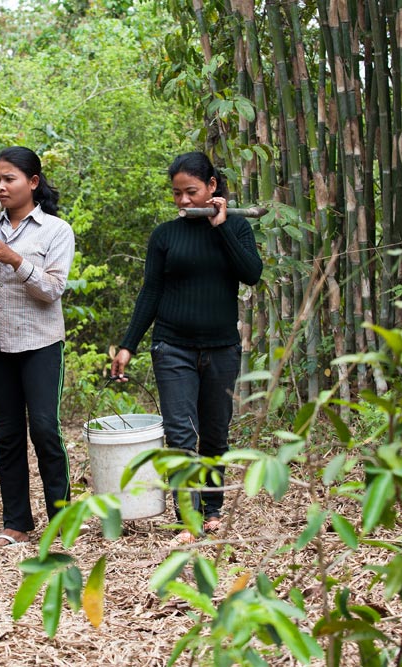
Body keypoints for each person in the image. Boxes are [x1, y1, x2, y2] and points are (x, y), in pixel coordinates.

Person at [110, 151, 263, 543]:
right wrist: (129, 345)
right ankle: (189, 519)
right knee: (181, 434)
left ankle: (213, 510)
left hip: (222, 348)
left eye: (190, 192)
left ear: (212, 187)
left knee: (215, 434)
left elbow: (251, 274)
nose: (182, 202)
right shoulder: (165, 235)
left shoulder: (238, 228)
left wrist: (222, 226)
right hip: (172, 346)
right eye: (176, 194)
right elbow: (151, 292)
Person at [0, 146, 75, 548]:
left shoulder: (56, 231)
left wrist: (12, 258)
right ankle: (16, 524)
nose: (1, 186)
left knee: (44, 429)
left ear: (33, 183)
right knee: (7, 436)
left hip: (41, 344)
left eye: (10, 179)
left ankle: (62, 519)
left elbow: (53, 289)